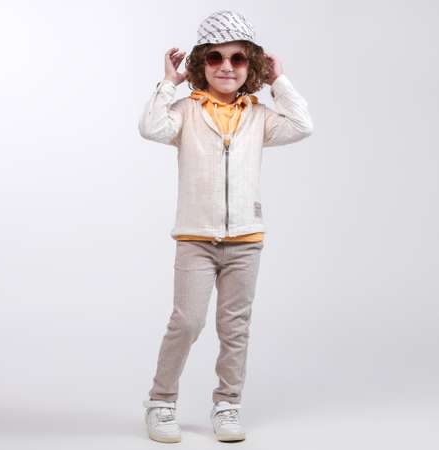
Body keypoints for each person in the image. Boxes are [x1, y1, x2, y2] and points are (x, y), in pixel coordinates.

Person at [138, 9, 313, 443]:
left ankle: (227, 403)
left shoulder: (259, 116)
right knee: (187, 322)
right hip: (195, 239)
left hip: (245, 241)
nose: (226, 67)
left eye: (238, 58)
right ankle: (161, 402)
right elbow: (151, 127)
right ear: (202, 64)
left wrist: (279, 81)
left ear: (251, 65)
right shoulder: (186, 111)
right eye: (215, 58)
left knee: (235, 328)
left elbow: (302, 125)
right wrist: (168, 83)